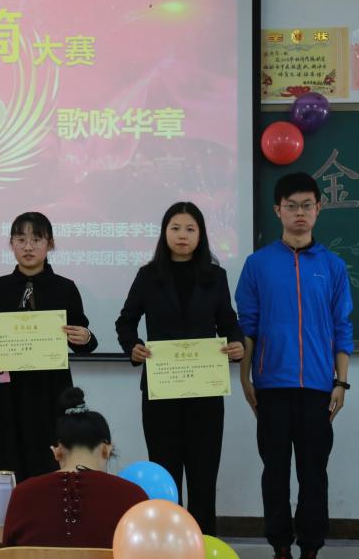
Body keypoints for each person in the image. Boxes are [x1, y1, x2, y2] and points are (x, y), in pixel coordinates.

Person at [235, 172, 354, 559]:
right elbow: (247, 326)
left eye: (306, 205)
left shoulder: (333, 266)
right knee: (274, 472)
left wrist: (341, 383)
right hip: (270, 386)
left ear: (319, 208)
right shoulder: (258, 264)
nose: (299, 213)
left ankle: (311, 546)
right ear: (277, 210)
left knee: (313, 473)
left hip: (318, 387)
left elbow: (342, 327)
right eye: (291, 206)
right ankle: (280, 545)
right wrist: (245, 379)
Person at [115, 201, 244, 536]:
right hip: (161, 390)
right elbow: (125, 322)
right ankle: (166, 543)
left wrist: (236, 343)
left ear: (200, 235)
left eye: (190, 229)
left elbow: (228, 322)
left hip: (205, 391)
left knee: (203, 475)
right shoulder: (148, 276)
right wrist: (133, 347)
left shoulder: (216, 277)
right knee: (165, 472)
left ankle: (201, 542)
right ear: (164, 233)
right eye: (175, 228)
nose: (182, 235)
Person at [0, 211, 98, 489]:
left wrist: (85, 337)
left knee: (50, 461)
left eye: (36, 239)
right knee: (5, 458)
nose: (28, 247)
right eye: (21, 240)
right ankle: (5, 514)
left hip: (51, 391)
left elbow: (86, 341)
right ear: (11, 244)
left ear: (49, 244)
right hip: (7, 393)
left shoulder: (65, 288)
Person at [2, 387, 148, 549]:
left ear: (57, 452)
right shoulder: (133, 497)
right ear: (106, 450)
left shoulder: (22, 495)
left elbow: (7, 552)